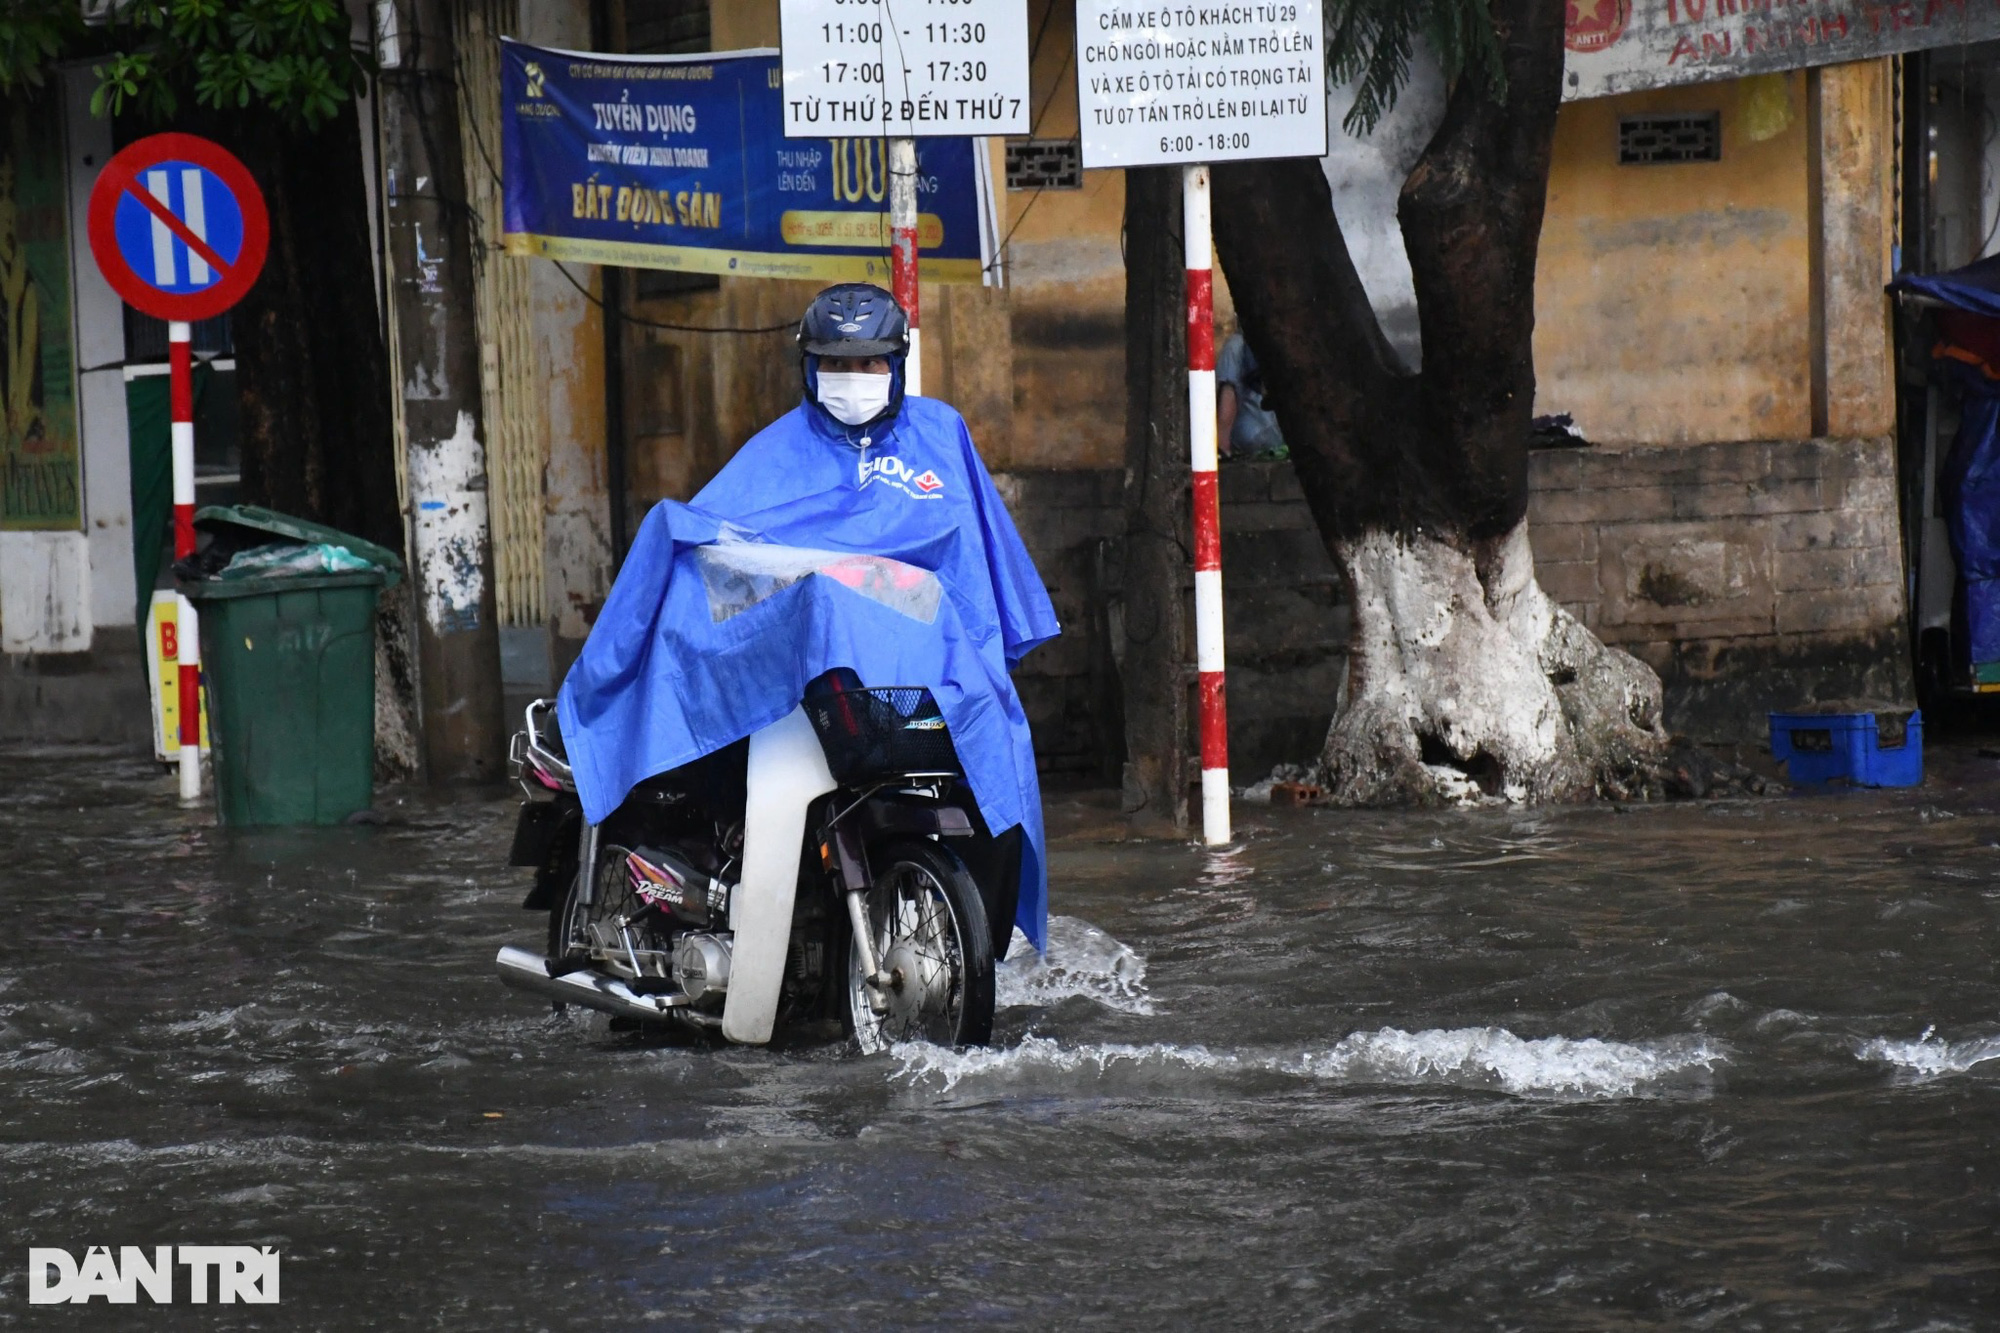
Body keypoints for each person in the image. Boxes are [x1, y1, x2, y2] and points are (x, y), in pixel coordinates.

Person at [559, 282, 1061, 954]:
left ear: (898, 363)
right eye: (837, 365)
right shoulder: (774, 455)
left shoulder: (941, 438)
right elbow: (719, 549)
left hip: (924, 677)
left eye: (870, 364)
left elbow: (981, 567)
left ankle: (982, 932)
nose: (854, 380)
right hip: (822, 687)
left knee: (999, 741)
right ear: (808, 366)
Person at [1216, 329, 1286, 459]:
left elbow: (1228, 396)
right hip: (1282, 437)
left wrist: (1221, 448)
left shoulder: (1237, 345)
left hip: (1256, 434)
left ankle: (1222, 448)